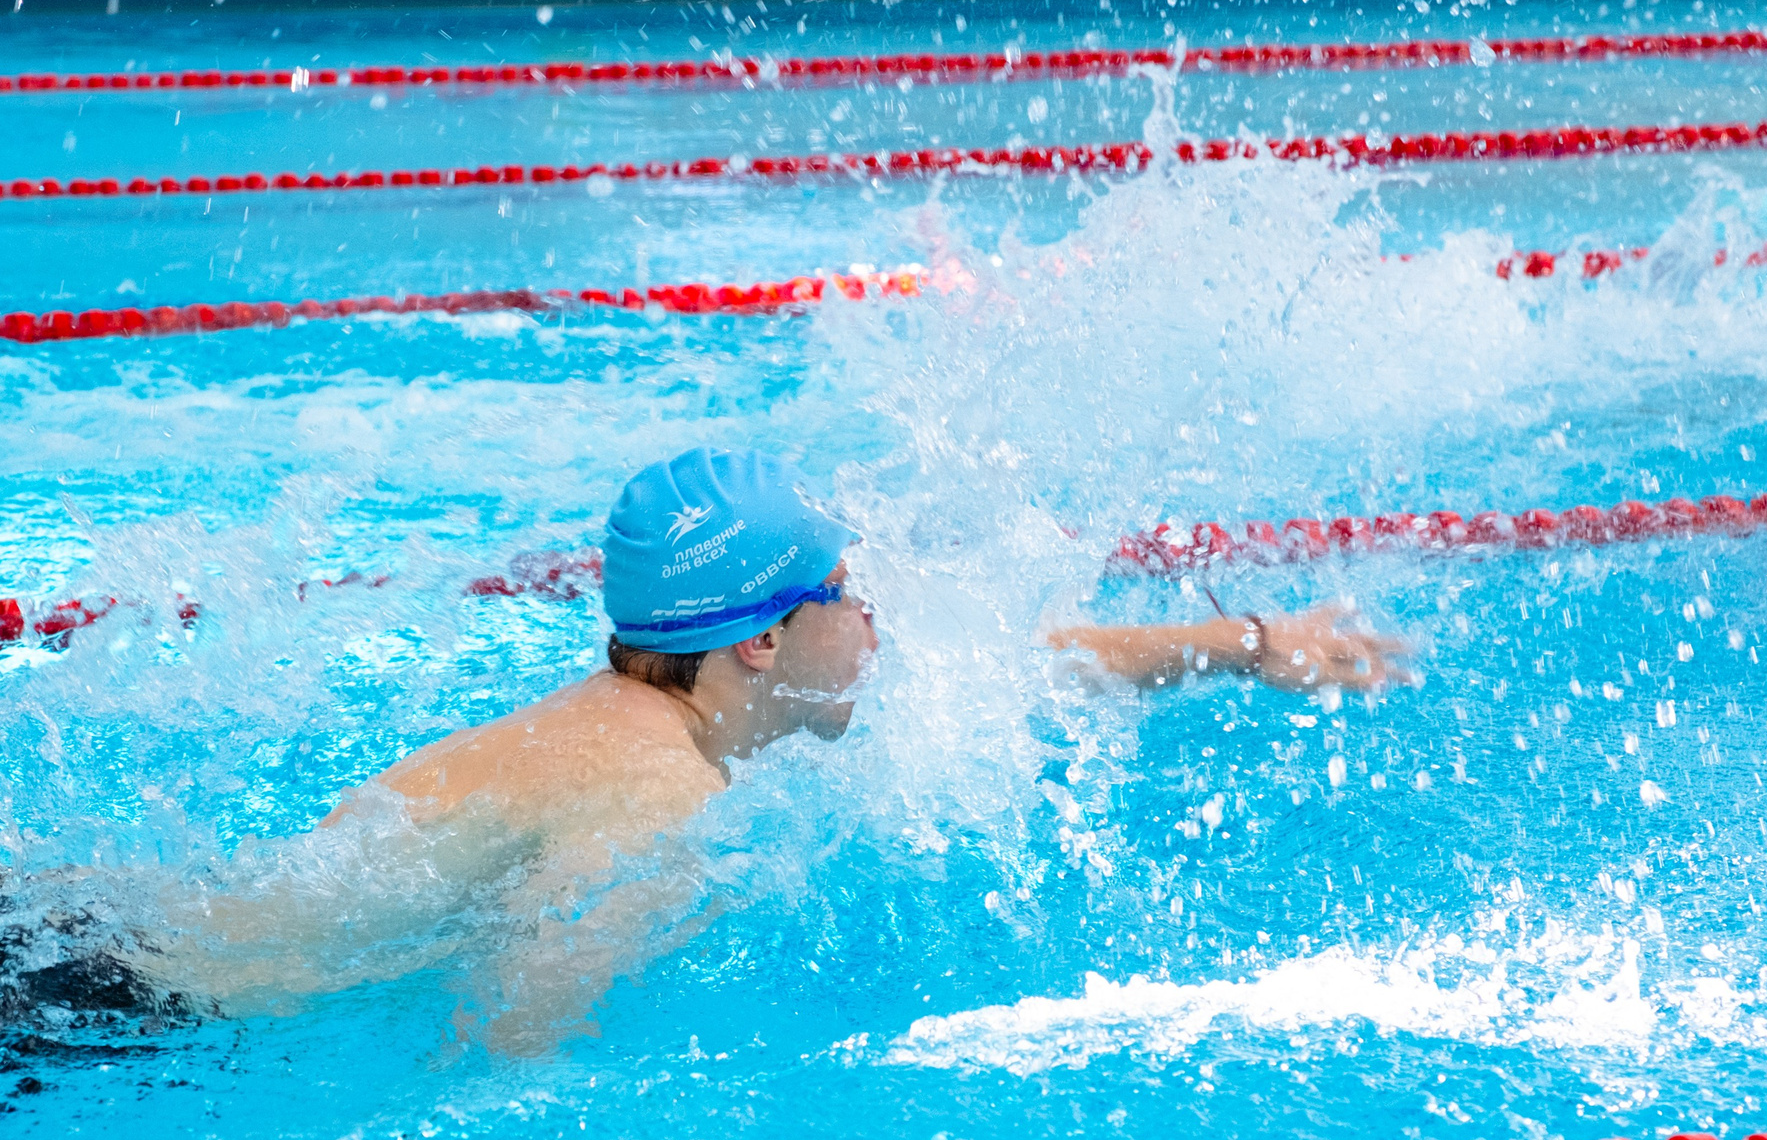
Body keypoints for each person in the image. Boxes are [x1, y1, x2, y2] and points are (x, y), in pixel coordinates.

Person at [315, 447, 1410, 1050]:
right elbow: (511, 1029)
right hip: (169, 1024)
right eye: (843, 592)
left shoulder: (652, 696)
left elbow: (1012, 659)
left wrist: (1248, 643)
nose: (876, 615)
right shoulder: (657, 788)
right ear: (758, 639)